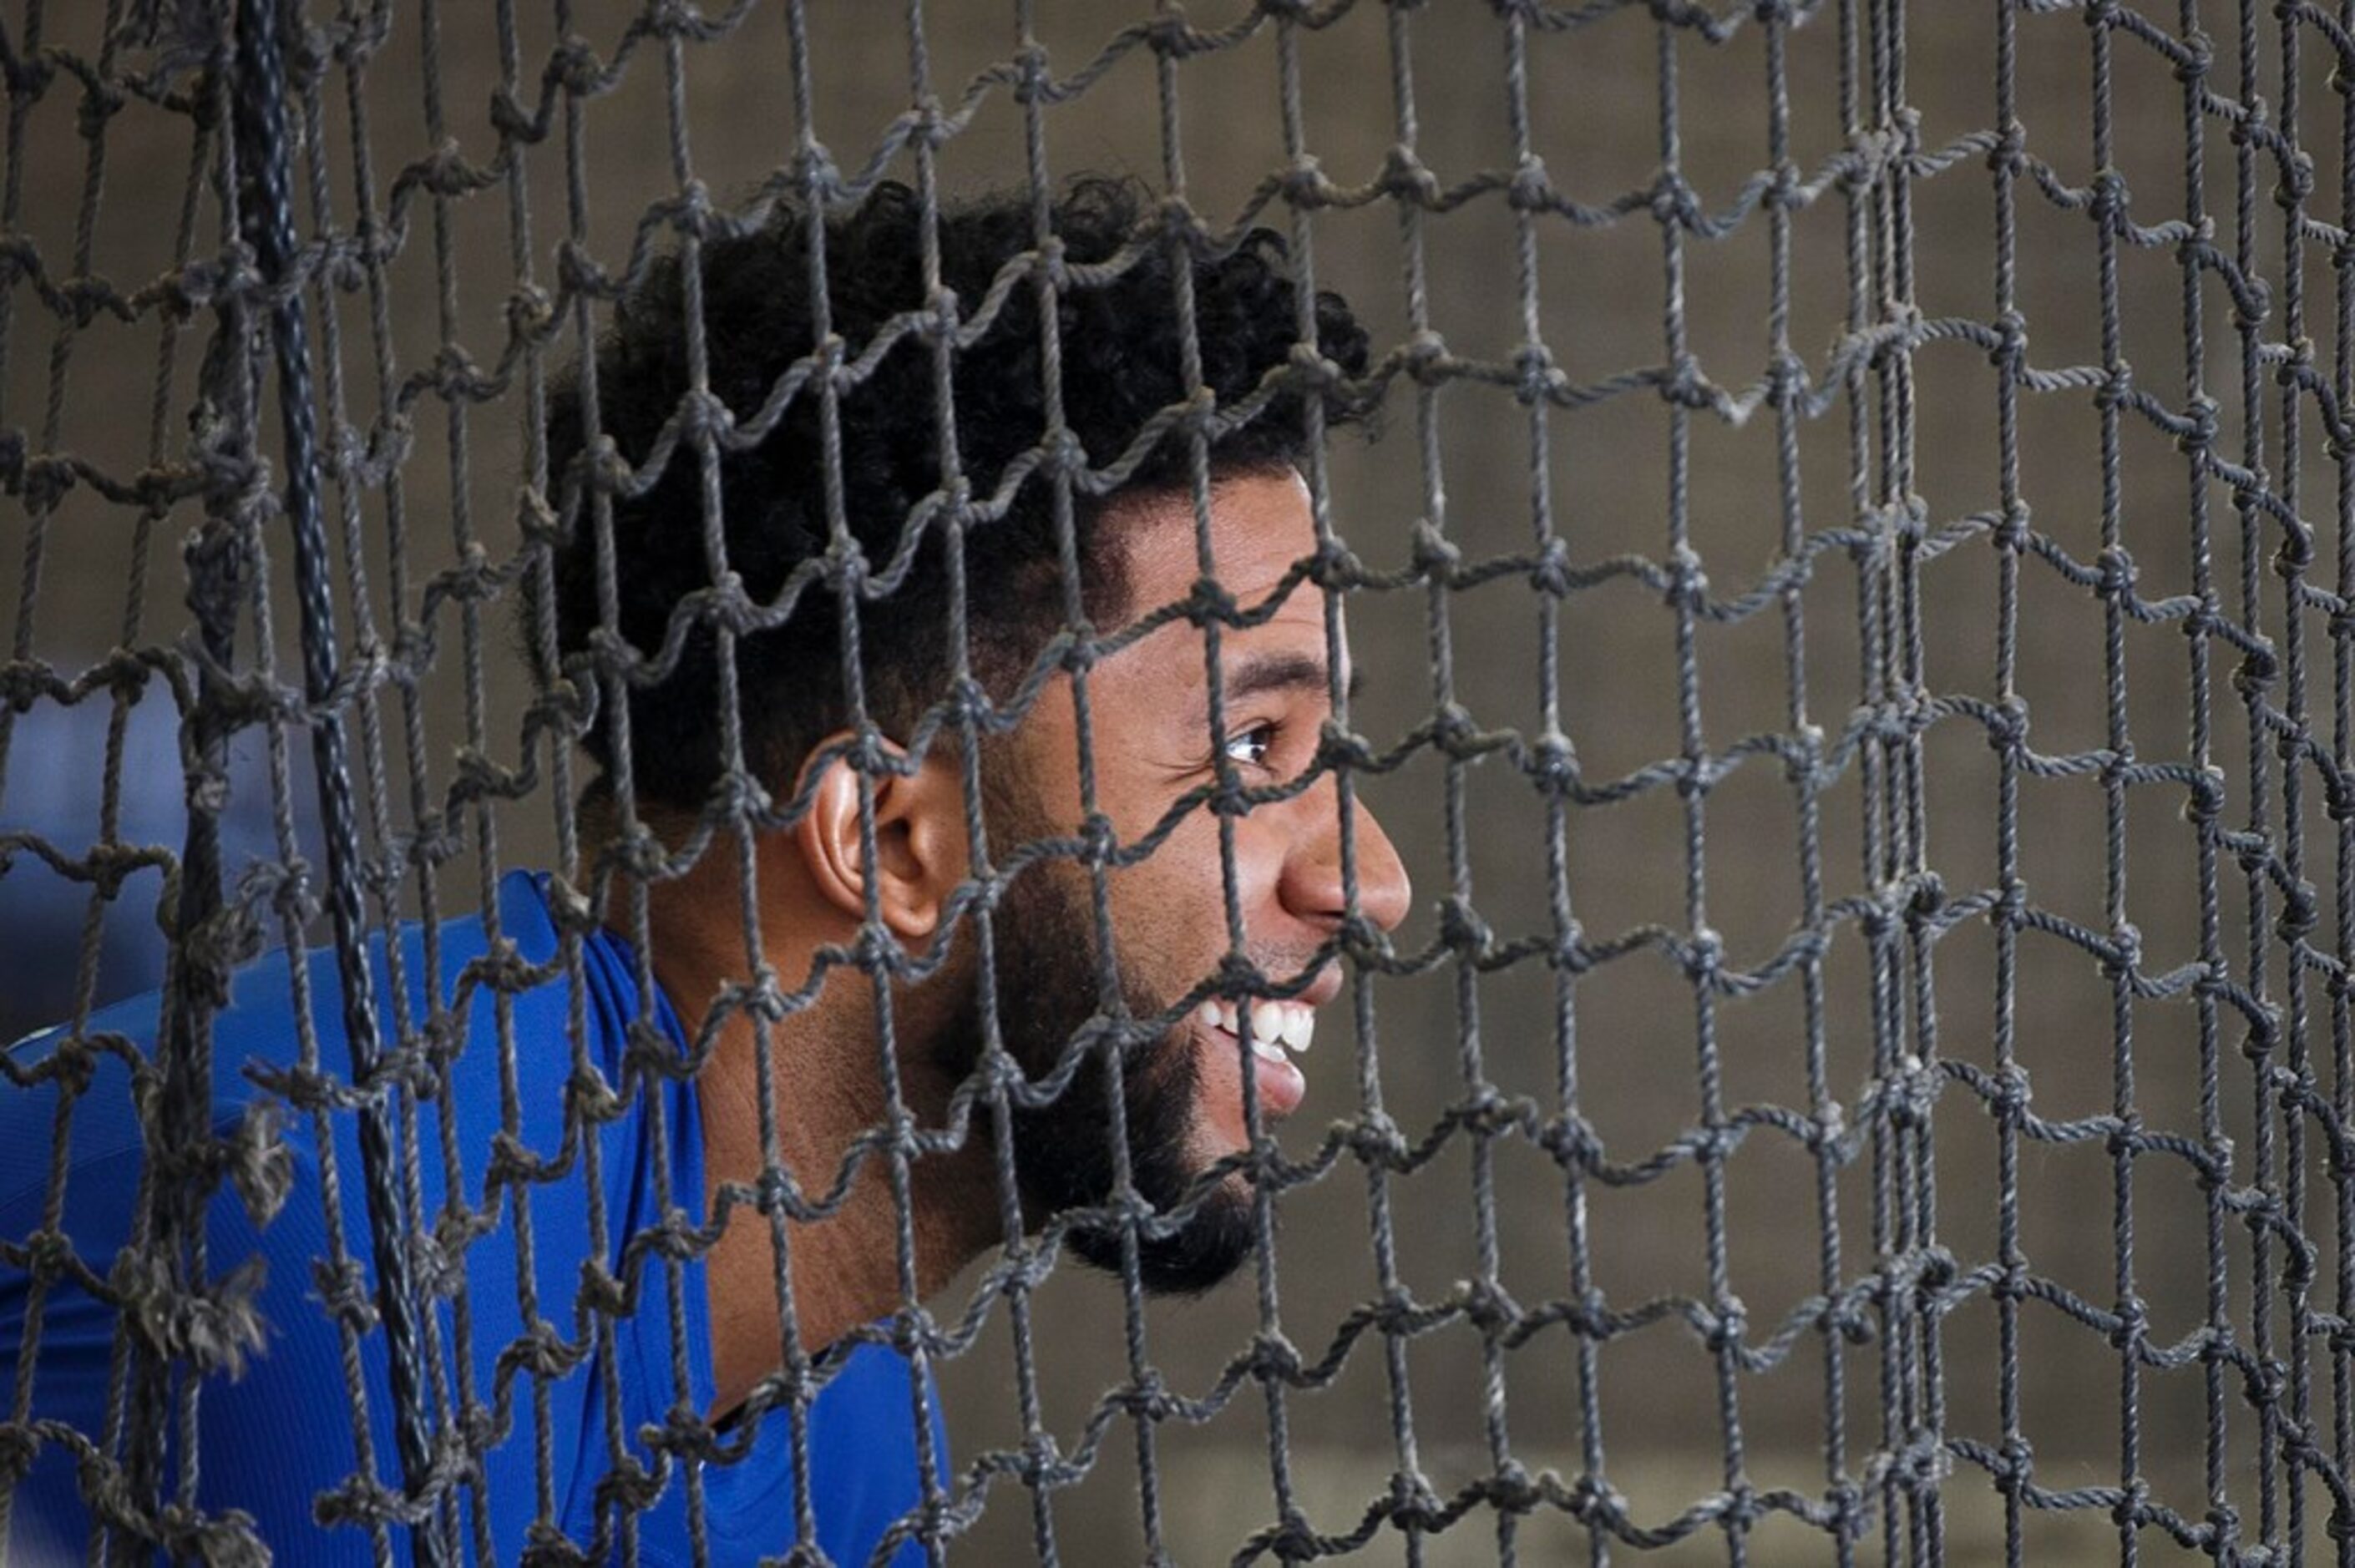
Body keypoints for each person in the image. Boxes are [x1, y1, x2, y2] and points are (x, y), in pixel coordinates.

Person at [0, 175, 1410, 1565]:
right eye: (1243, 749)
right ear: (891, 843)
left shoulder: (843, 1415)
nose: (1373, 878)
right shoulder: (353, 1256)